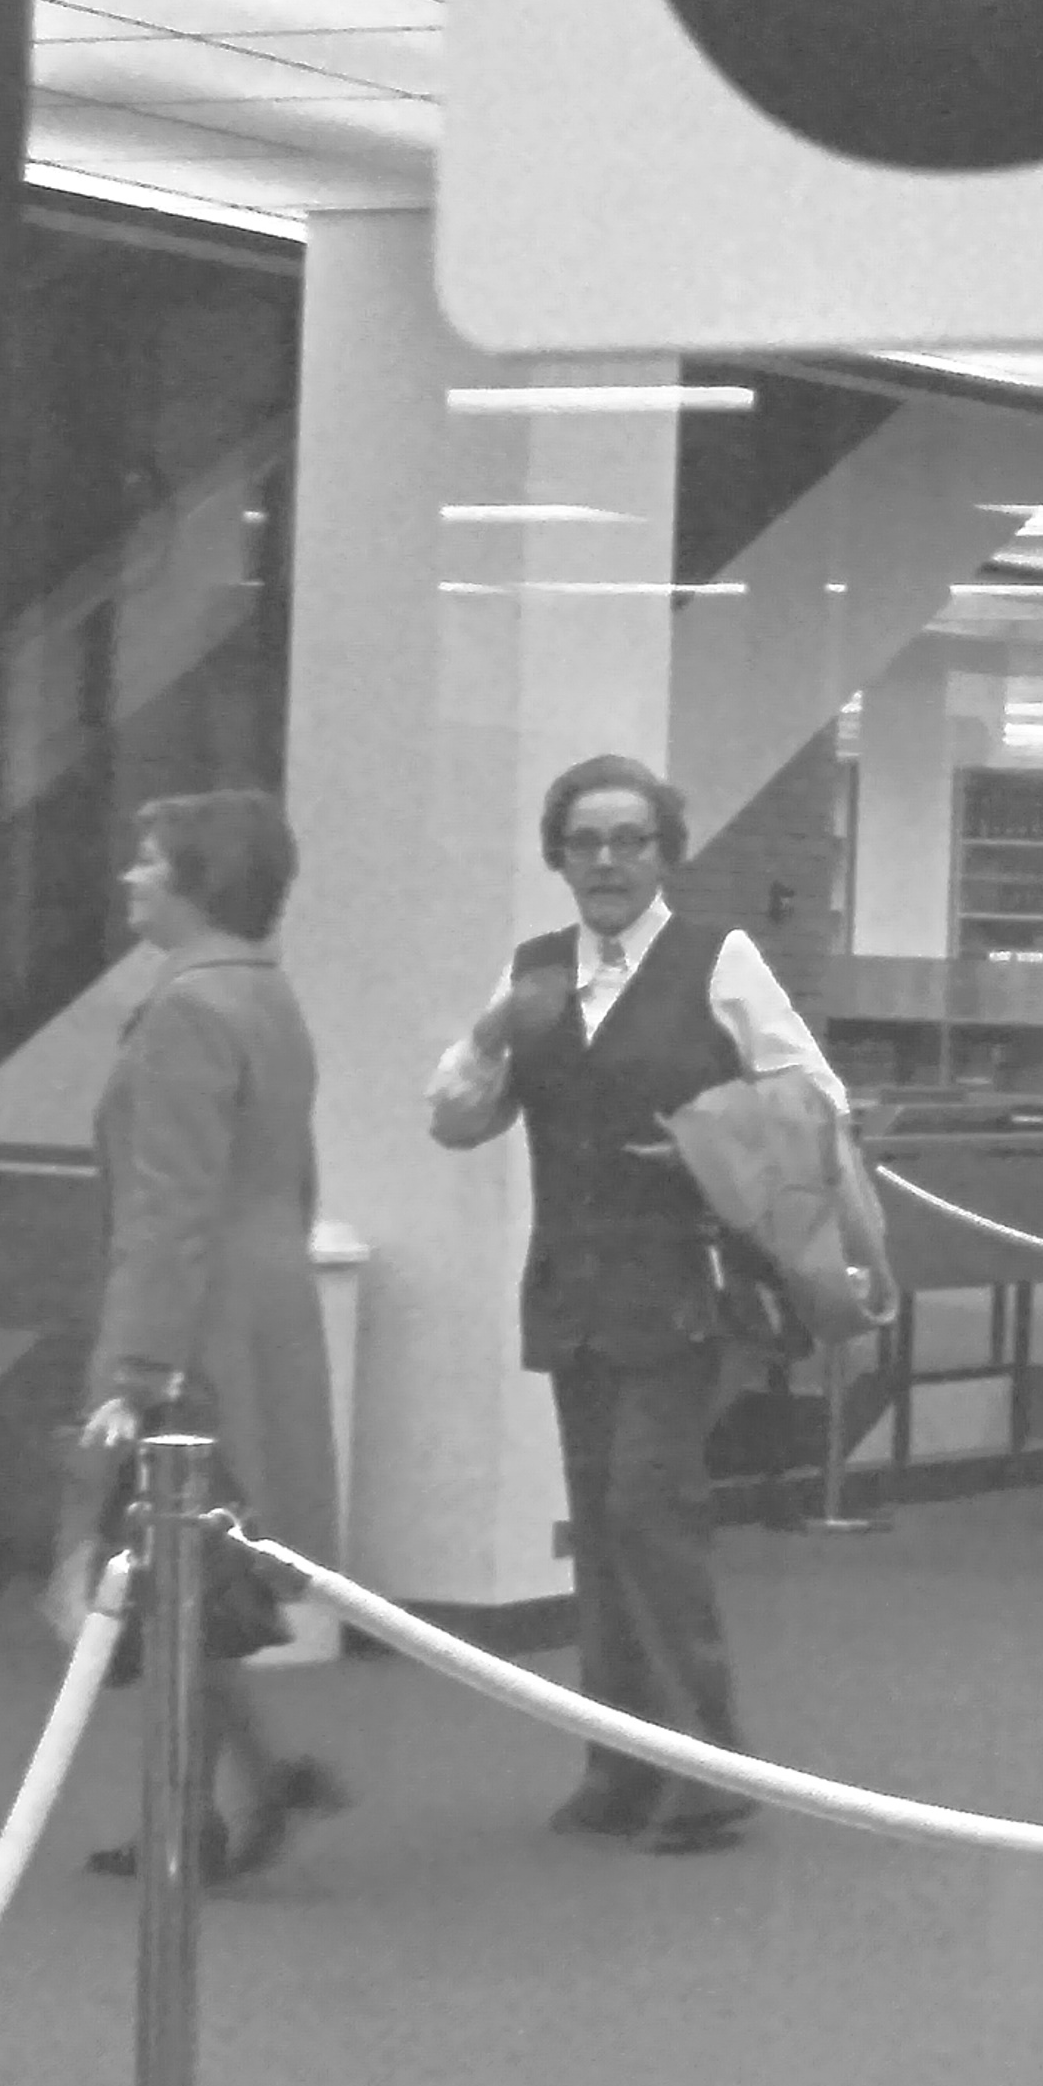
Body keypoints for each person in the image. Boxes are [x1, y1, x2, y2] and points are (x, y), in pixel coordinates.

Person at [426, 751, 841, 1852]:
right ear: (558, 856)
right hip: (572, 1281)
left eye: (630, 840)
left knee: (648, 1512)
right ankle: (617, 1763)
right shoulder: (534, 973)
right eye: (586, 842)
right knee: (599, 1525)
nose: (607, 860)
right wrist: (488, 1037)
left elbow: (811, 1096)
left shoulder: (719, 957)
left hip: (682, 1280)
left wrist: (710, 1138)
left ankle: (703, 1767)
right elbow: (457, 1121)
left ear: (666, 851)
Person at [74, 789, 345, 1885]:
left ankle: (196, 1810)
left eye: (150, 861)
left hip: (197, 1315)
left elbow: (168, 1208)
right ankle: (245, 1778)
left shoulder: (186, 1009)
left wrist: (138, 1365)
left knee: (170, 1567)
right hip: (260, 1298)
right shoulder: (263, 995)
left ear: (197, 878)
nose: (131, 877)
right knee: (193, 1577)